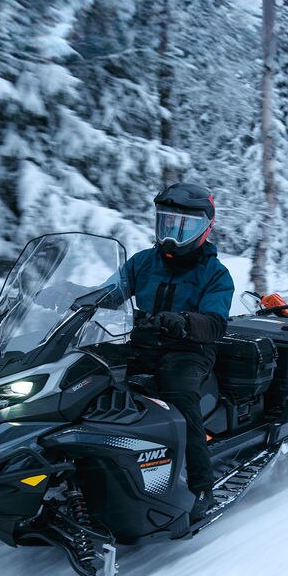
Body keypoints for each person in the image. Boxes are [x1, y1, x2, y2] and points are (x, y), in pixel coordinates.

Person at [121, 182, 235, 522]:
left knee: (180, 396)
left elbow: (215, 323)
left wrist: (184, 322)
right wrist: (75, 298)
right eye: (167, 223)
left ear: (205, 229)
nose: (173, 233)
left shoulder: (215, 274)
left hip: (188, 352)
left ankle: (201, 486)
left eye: (185, 226)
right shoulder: (142, 262)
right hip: (140, 344)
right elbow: (110, 292)